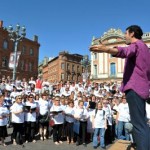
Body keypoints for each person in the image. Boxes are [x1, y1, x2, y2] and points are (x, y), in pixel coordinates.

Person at [90, 25, 150, 150]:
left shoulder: (136, 45)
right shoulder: (145, 48)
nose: (125, 36)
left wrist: (106, 49)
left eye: (126, 33)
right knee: (140, 122)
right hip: (143, 88)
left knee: (138, 125)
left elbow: (124, 51)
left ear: (132, 33)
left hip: (135, 88)